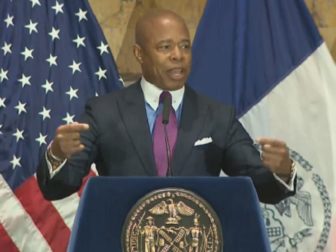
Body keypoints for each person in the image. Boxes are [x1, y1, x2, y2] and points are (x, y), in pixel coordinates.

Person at [37, 9, 296, 203]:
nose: (178, 55)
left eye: (185, 46)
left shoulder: (217, 116)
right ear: (139, 54)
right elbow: (58, 187)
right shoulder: (103, 112)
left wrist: (282, 171)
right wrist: (58, 154)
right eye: (165, 47)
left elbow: (264, 188)